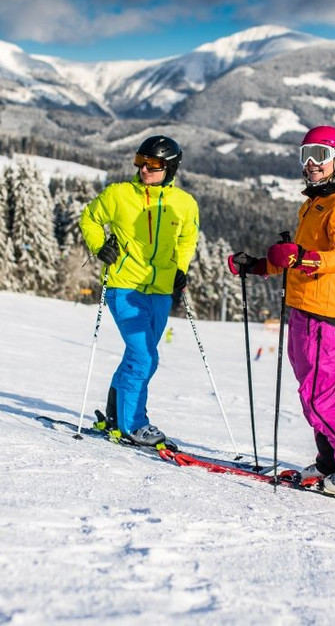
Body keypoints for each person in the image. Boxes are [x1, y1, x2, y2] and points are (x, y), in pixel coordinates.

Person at [228, 125, 335, 501]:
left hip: (323, 311)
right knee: (310, 393)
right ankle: (331, 461)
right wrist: (260, 265)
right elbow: (295, 256)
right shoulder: (318, 200)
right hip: (303, 307)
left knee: (319, 397)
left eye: (320, 155)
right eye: (306, 155)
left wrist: (303, 257)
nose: (312, 162)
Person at [79, 135, 199, 446]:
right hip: (124, 286)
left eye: (153, 164)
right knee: (143, 356)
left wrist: (180, 269)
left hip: (160, 291)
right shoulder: (118, 194)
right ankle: (134, 424)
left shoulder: (184, 203)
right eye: (140, 161)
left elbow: (187, 240)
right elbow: (89, 218)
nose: (144, 169)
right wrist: (100, 246)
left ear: (170, 167)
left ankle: (115, 416)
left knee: (142, 356)